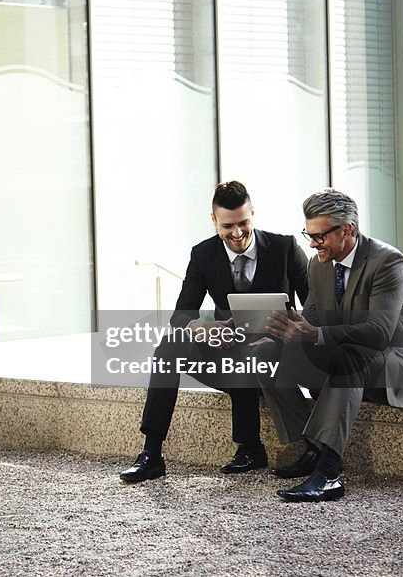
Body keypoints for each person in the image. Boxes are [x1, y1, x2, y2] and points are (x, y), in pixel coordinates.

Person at [120, 181, 309, 483]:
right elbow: (181, 315)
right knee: (169, 347)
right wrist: (203, 329)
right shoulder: (203, 254)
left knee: (254, 354)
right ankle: (151, 453)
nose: (237, 233)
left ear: (253, 214)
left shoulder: (285, 248)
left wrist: (284, 330)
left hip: (275, 358)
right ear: (213, 220)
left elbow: (315, 307)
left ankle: (250, 448)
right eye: (228, 226)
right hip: (228, 353)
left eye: (243, 223)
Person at [259, 188, 403, 502]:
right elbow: (313, 317)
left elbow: (379, 332)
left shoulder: (388, 261)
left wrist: (316, 335)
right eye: (308, 234)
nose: (312, 244)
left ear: (347, 230)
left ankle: (328, 474)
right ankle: (312, 446)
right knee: (266, 354)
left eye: (319, 236)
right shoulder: (318, 265)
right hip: (347, 359)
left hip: (398, 363)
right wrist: (284, 327)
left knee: (347, 356)